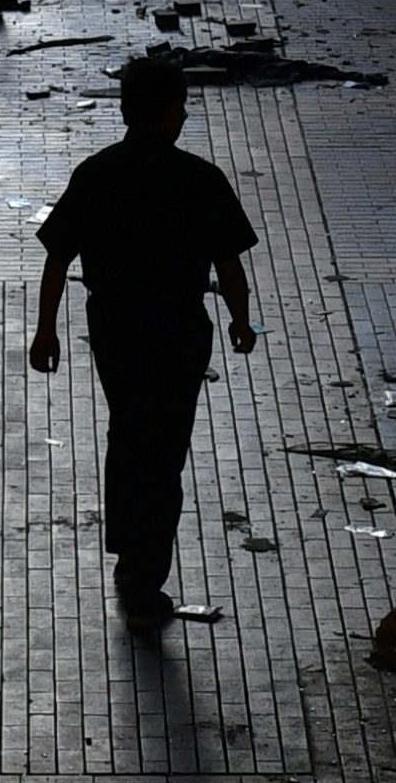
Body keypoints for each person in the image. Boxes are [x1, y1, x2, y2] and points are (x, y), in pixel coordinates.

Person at [29, 57, 260, 626]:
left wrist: (45, 330)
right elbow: (228, 265)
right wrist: (240, 319)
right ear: (172, 112)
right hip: (179, 334)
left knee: (127, 433)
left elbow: (58, 257)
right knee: (164, 454)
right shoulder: (201, 180)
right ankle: (144, 571)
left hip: (115, 329)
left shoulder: (96, 173)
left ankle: (129, 557)